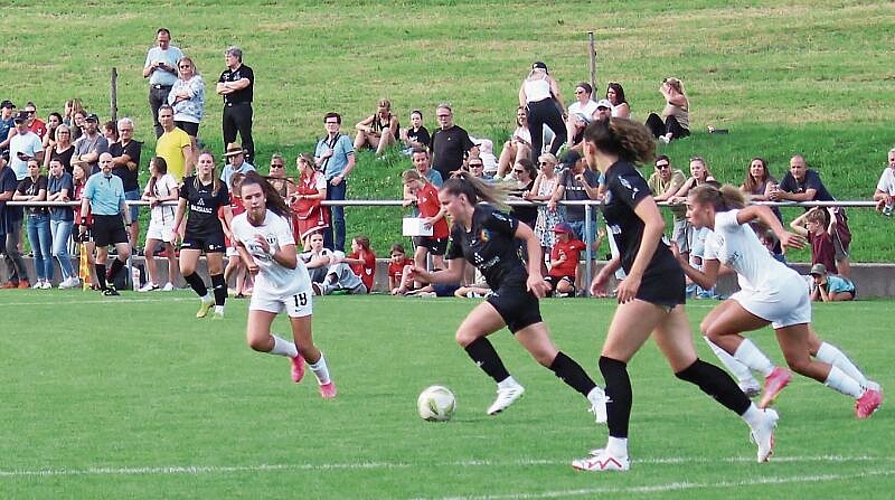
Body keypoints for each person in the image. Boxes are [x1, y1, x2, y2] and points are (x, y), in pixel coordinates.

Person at [571, 119, 778, 472]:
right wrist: (610, 269)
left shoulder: (623, 175)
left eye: (581, 147)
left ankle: (617, 453)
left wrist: (634, 276)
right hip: (660, 276)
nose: (581, 154)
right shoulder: (611, 178)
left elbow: (656, 223)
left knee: (611, 361)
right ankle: (758, 420)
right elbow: (636, 234)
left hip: (653, 278)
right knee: (687, 366)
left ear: (590, 146)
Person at [408, 171, 607, 421]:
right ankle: (598, 396)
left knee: (466, 334)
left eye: (446, 203)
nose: (444, 208)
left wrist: (535, 273)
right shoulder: (458, 231)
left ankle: (506, 384)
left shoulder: (487, 216)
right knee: (547, 355)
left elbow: (530, 236)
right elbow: (454, 274)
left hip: (516, 285)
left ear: (462, 199)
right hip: (508, 292)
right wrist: (427, 277)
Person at [677, 183, 882, 420]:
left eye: (691, 207)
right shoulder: (711, 240)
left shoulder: (725, 220)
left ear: (708, 208)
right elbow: (707, 281)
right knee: (801, 360)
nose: (688, 213)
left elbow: (760, 210)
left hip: (775, 289)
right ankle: (864, 392)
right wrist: (680, 265)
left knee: (715, 331)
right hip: (784, 287)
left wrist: (782, 233)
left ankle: (768, 374)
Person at [231, 171, 337, 399]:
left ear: (265, 197)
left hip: (294, 285)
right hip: (267, 285)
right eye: (248, 198)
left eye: (257, 196)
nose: (254, 201)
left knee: (305, 345)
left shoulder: (277, 223)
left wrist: (269, 250)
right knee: (256, 340)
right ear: (241, 200)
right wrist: (249, 261)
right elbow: (237, 242)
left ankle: (326, 382)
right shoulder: (238, 222)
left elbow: (290, 261)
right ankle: (292, 354)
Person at [173, 150, 232, 319]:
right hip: (192, 232)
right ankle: (206, 298)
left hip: (212, 232)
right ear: (197, 165)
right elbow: (181, 207)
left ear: (213, 165)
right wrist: (175, 228)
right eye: (202, 162)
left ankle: (220, 308)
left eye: (208, 162)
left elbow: (227, 212)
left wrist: (232, 231)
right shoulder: (189, 184)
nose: (205, 165)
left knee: (215, 270)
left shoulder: (220, 186)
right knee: (186, 269)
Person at [771, 155, 851, 277]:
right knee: (820, 251)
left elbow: (809, 196)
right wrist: (773, 194)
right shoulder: (789, 177)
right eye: (793, 167)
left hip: (831, 214)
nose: (796, 170)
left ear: (805, 168)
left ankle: (846, 285)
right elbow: (779, 195)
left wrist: (784, 196)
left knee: (839, 253)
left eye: (799, 167)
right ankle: (823, 284)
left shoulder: (812, 176)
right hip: (815, 219)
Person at [78, 153, 132, 296]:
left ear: (113, 164)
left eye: (109, 162)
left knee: (125, 252)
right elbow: (86, 202)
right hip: (100, 218)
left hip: (115, 218)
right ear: (99, 164)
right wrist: (83, 221)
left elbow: (122, 203)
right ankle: (103, 287)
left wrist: (128, 223)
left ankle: (110, 277)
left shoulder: (118, 181)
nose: (106, 164)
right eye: (103, 162)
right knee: (101, 254)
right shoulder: (93, 180)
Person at [314, 112, 355, 252]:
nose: (331, 125)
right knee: (325, 216)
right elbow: (316, 164)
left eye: (334, 123)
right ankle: (328, 246)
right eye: (329, 123)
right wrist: (324, 156)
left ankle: (339, 247)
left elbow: (351, 161)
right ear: (325, 125)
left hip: (337, 181)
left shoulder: (343, 140)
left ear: (338, 125)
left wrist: (341, 176)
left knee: (338, 215)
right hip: (324, 183)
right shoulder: (322, 143)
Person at [139, 156, 179, 292]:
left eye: (151, 165)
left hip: (168, 219)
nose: (150, 168)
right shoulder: (152, 181)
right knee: (147, 251)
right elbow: (144, 196)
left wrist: (160, 199)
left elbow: (175, 195)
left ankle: (171, 282)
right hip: (155, 221)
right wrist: (150, 198)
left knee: (170, 252)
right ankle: (154, 282)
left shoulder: (168, 178)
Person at [14, 159, 52, 288]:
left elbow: (41, 196)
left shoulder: (43, 179)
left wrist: (29, 198)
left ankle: (48, 280)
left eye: (34, 166)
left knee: (45, 251)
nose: (31, 169)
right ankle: (40, 279)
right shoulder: (25, 181)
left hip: (42, 217)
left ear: (39, 168)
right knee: (35, 252)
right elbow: (15, 197)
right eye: (29, 167)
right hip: (31, 218)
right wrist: (28, 198)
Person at [402, 169, 449, 272]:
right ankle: (418, 285)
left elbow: (443, 207)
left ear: (413, 180)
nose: (409, 188)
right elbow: (424, 211)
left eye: (409, 185)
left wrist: (434, 219)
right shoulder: (419, 193)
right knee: (418, 256)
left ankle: (449, 282)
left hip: (438, 231)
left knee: (437, 261)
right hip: (426, 230)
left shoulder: (430, 191)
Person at [548, 150, 600, 242]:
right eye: (569, 167)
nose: (572, 169)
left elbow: (594, 196)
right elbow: (559, 192)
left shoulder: (592, 175)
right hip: (570, 219)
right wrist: (553, 200)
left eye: (573, 166)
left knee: (587, 250)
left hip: (587, 219)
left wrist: (584, 183)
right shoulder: (566, 174)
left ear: (579, 161)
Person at [519, 61, 566, 159]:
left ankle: (535, 168)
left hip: (532, 107)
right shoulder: (547, 78)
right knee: (561, 133)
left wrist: (526, 111)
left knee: (536, 143)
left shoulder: (526, 81)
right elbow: (556, 93)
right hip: (546, 105)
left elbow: (521, 96)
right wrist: (564, 110)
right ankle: (550, 156)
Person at [216, 46, 255, 163]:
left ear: (237, 57)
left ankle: (248, 159)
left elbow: (243, 84)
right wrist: (233, 86)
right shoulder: (225, 74)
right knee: (228, 136)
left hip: (242, 107)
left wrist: (227, 85)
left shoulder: (246, 71)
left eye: (229, 57)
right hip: (228, 107)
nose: (226, 59)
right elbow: (219, 89)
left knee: (245, 135)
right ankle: (229, 161)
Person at [143, 28, 184, 138]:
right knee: (157, 119)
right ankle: (160, 142)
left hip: (170, 89)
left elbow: (184, 73)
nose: (162, 43)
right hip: (155, 89)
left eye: (165, 41)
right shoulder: (152, 52)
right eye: (160, 41)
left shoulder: (176, 52)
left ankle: (171, 140)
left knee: (169, 118)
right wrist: (152, 67)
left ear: (169, 40)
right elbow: (144, 73)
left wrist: (169, 69)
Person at [109, 117, 142, 252]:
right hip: (114, 189)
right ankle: (120, 245)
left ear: (132, 131)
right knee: (117, 219)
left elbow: (120, 160)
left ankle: (132, 246)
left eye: (128, 130)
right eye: (122, 130)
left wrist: (122, 160)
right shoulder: (114, 147)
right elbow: (107, 162)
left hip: (130, 188)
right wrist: (124, 162)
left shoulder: (135, 145)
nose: (125, 133)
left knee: (132, 219)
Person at [46, 157, 79, 289]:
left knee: (59, 249)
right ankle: (67, 279)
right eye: (52, 167)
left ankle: (73, 276)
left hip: (65, 217)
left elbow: (63, 196)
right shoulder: (51, 179)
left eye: (56, 166)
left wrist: (58, 195)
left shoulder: (66, 177)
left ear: (62, 167)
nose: (54, 169)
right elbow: (49, 198)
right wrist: (57, 194)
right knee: (58, 250)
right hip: (54, 216)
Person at [0, 150, 30, 289]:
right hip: (2, 216)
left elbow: (8, 194)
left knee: (11, 248)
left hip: (11, 216)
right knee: (4, 250)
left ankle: (24, 278)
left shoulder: (8, 173)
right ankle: (13, 280)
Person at [530, 153, 563, 275]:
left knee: (555, 253)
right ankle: (545, 281)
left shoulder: (558, 177)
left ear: (552, 165)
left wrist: (534, 198)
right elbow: (533, 193)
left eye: (544, 164)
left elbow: (551, 195)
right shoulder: (540, 177)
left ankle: (555, 279)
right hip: (542, 219)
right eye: (540, 164)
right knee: (539, 254)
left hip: (554, 218)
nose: (542, 167)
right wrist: (532, 196)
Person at [790, 207, 844, 276]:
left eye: (808, 224)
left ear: (817, 223)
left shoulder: (826, 236)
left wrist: (831, 212)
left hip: (828, 273)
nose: (807, 227)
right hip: (816, 272)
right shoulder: (812, 236)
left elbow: (833, 222)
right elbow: (793, 225)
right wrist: (809, 212)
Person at [167, 56, 205, 154]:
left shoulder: (197, 80)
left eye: (187, 66)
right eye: (182, 67)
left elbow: (191, 93)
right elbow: (171, 98)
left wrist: (178, 96)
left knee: (190, 143)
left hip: (191, 115)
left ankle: (197, 166)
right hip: (177, 115)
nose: (184, 69)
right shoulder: (178, 82)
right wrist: (182, 96)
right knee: (179, 144)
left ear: (192, 67)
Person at [429, 104, 476, 179]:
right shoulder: (436, 133)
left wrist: (462, 169)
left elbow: (474, 151)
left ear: (451, 116)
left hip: (454, 178)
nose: (443, 118)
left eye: (446, 115)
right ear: (437, 118)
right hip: (437, 178)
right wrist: (428, 170)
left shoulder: (460, 133)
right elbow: (429, 151)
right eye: (440, 116)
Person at [292, 153, 328, 249]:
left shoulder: (319, 176)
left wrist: (304, 197)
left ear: (305, 164)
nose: (297, 167)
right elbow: (299, 193)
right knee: (305, 243)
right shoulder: (302, 180)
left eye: (298, 164)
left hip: (315, 213)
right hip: (303, 214)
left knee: (311, 244)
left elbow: (322, 195)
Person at [545, 222, 586, 297]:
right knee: (544, 286)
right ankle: (551, 292)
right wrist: (561, 261)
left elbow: (591, 248)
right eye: (556, 233)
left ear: (566, 233)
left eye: (559, 233)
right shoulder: (556, 246)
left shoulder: (576, 243)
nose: (556, 235)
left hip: (568, 273)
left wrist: (600, 238)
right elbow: (553, 264)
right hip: (554, 273)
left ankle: (573, 290)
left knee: (561, 287)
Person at [645, 77, 690, 143]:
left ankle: (667, 138)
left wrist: (663, 92)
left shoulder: (681, 98)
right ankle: (643, 136)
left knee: (670, 117)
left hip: (680, 129)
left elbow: (670, 100)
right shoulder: (671, 100)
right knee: (653, 116)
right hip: (668, 128)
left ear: (670, 87)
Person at [155, 104, 193, 181]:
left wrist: (185, 180)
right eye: (163, 116)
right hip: (164, 184)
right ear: (159, 119)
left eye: (168, 116)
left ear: (173, 117)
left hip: (178, 182)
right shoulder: (160, 140)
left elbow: (189, 158)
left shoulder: (182, 135)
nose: (166, 119)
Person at [496, 107, 532, 179]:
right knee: (507, 147)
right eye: (519, 115)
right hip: (519, 154)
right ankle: (499, 175)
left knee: (522, 146)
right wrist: (509, 143)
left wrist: (522, 141)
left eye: (523, 114)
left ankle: (513, 175)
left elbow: (535, 147)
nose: (520, 117)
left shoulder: (534, 129)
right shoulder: (519, 130)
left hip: (531, 155)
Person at [10, 111, 45, 181]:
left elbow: (40, 159)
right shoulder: (13, 139)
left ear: (27, 122)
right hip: (13, 177)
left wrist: (28, 158)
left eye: (21, 122)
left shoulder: (34, 138)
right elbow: (11, 159)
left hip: (27, 177)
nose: (19, 125)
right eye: (17, 123)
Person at [563, 83, 599, 150]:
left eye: (580, 92)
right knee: (570, 118)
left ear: (588, 94)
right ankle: (569, 142)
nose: (577, 95)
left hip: (587, 130)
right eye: (576, 93)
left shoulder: (593, 106)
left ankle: (569, 144)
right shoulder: (573, 107)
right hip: (574, 128)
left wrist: (584, 124)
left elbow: (597, 123)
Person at [509, 158, 538, 229]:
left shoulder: (534, 184)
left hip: (528, 220)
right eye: (515, 171)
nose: (517, 174)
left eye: (520, 171)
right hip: (514, 219)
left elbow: (534, 201)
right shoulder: (513, 184)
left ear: (528, 172)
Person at [872, 148, 895, 216]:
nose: (894, 162)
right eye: (892, 160)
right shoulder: (888, 172)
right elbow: (875, 196)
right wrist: (884, 196)